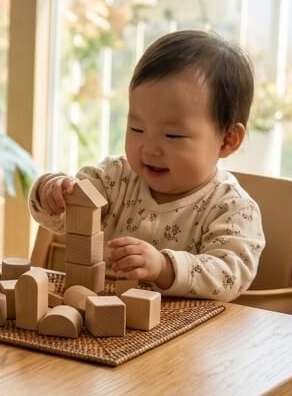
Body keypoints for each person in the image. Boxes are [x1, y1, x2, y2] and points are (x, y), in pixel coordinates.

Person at [30, 29, 265, 302]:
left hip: (188, 337)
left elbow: (228, 275)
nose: (149, 148)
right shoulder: (115, 178)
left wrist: (164, 268)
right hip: (107, 321)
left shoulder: (232, 208)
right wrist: (52, 192)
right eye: (136, 128)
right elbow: (65, 215)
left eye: (172, 135)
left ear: (227, 140)